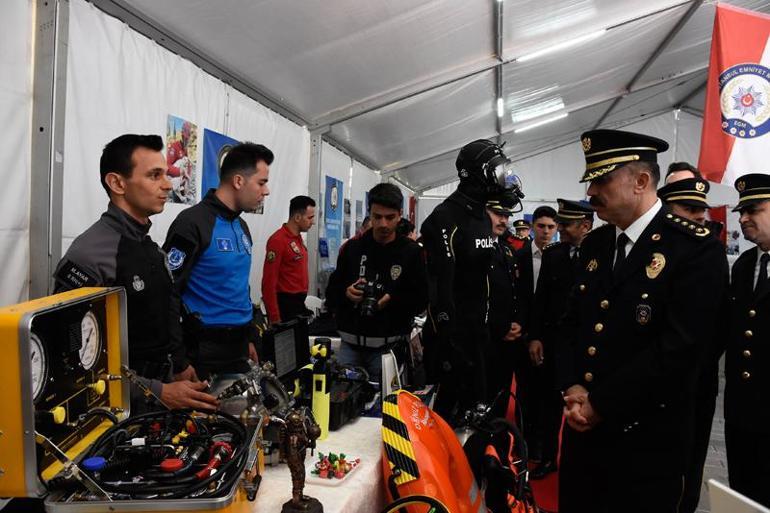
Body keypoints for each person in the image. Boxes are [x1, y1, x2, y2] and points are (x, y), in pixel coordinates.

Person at [557, 129, 727, 513]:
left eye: (601, 180)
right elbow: (570, 324)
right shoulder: (597, 245)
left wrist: (599, 403)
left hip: (646, 443)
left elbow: (679, 350)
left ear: (641, 181)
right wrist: (571, 386)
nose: (591, 193)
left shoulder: (694, 249)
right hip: (583, 431)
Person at [53, 134, 218, 412]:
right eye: (155, 175)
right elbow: (71, 366)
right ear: (117, 183)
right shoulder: (90, 256)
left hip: (161, 396)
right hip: (118, 411)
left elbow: (165, 312)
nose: (167, 185)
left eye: (166, 174)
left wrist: (178, 366)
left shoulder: (150, 248)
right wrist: (156, 392)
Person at [420, 138, 524, 421]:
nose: (506, 177)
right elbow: (440, 291)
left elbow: (482, 282)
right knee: (447, 423)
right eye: (499, 170)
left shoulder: (480, 215)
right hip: (453, 346)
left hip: (480, 340)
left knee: (479, 423)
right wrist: (451, 347)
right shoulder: (444, 218)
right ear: (479, 172)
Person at [163, 142, 271, 379]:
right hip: (202, 356)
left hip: (238, 350)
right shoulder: (192, 223)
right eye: (261, 183)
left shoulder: (241, 226)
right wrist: (179, 361)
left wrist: (250, 335)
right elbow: (167, 292)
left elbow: (240, 286)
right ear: (239, 181)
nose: (266, 191)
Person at [657, 176, 725, 513]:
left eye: (702, 209)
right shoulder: (651, 252)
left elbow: (717, 325)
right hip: (654, 383)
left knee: (690, 460)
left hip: (698, 381)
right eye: (690, 208)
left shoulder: (710, 252)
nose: (699, 215)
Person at [325, 183, 428, 382]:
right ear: (369, 214)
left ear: (399, 215)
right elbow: (331, 294)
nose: (383, 224)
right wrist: (346, 294)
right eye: (377, 217)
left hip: (388, 349)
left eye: (389, 218)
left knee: (386, 408)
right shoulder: (352, 249)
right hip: (349, 346)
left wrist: (392, 298)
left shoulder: (411, 252)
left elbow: (422, 299)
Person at [526, 199, 594, 479]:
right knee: (549, 404)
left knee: (584, 407)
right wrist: (535, 337)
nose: (560, 230)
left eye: (566, 225)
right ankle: (548, 457)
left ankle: (580, 463)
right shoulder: (554, 254)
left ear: (586, 226)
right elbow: (540, 300)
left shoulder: (600, 253)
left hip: (587, 347)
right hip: (554, 343)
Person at [724, 173, 770, 507]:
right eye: (741, 210)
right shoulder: (743, 265)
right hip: (742, 410)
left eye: (753, 209)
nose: (742, 218)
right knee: (743, 492)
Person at [485, 191, 524, 413]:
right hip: (484, 340)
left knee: (500, 398)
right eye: (497, 213)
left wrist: (517, 321)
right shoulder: (472, 249)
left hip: (506, 340)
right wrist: (499, 328)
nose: (503, 220)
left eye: (506, 215)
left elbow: (512, 293)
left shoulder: (506, 249)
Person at [262, 195, 316, 324]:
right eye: (310, 217)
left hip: (298, 304)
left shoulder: (297, 239)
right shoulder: (278, 240)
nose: (313, 222)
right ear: (297, 217)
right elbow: (268, 283)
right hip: (285, 306)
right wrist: (274, 316)